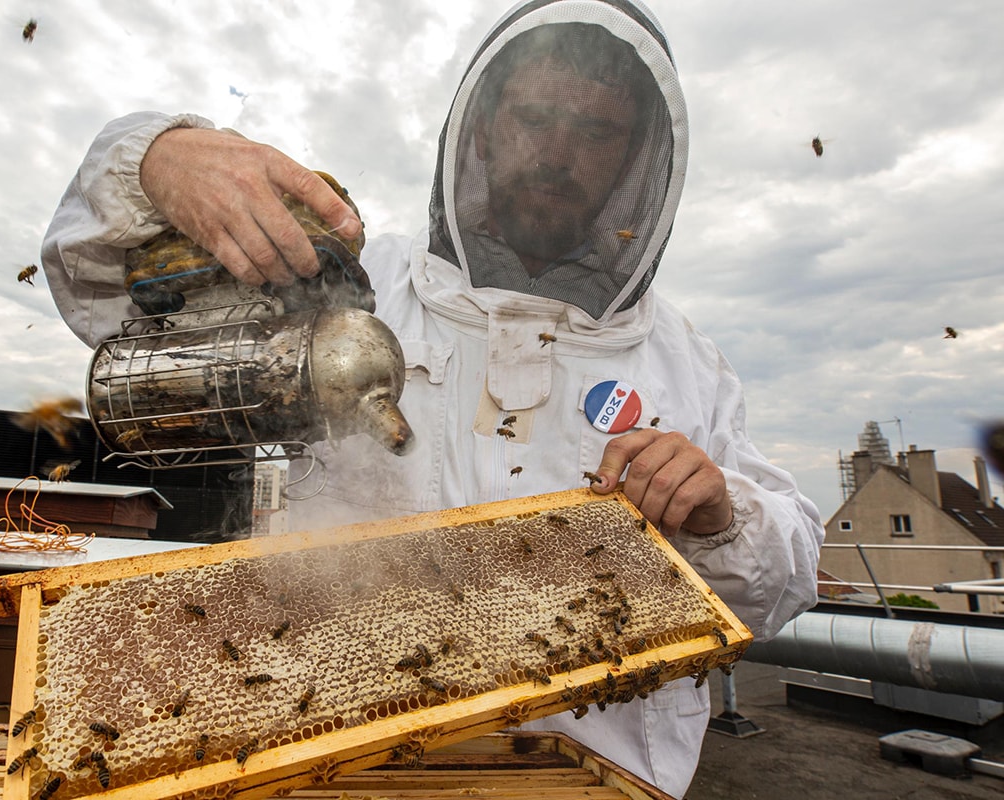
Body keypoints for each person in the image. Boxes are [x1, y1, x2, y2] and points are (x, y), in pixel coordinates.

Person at [42, 1, 824, 795]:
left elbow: (786, 585)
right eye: (534, 115)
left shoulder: (684, 363)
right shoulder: (343, 287)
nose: (556, 152)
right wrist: (156, 160)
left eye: (596, 131)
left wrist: (722, 518)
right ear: (481, 127)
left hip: (600, 777)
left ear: (635, 158)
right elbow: (111, 303)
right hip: (343, 766)